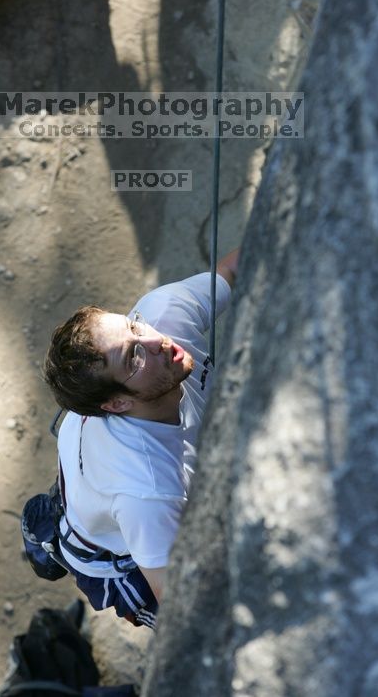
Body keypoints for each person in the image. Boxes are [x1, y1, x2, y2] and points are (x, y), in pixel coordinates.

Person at [43, 250, 239, 629]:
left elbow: (231, 268)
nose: (155, 340)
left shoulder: (161, 315)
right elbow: (180, 606)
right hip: (110, 553)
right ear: (116, 402)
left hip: (96, 477)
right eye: (133, 357)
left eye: (132, 326)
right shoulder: (147, 493)